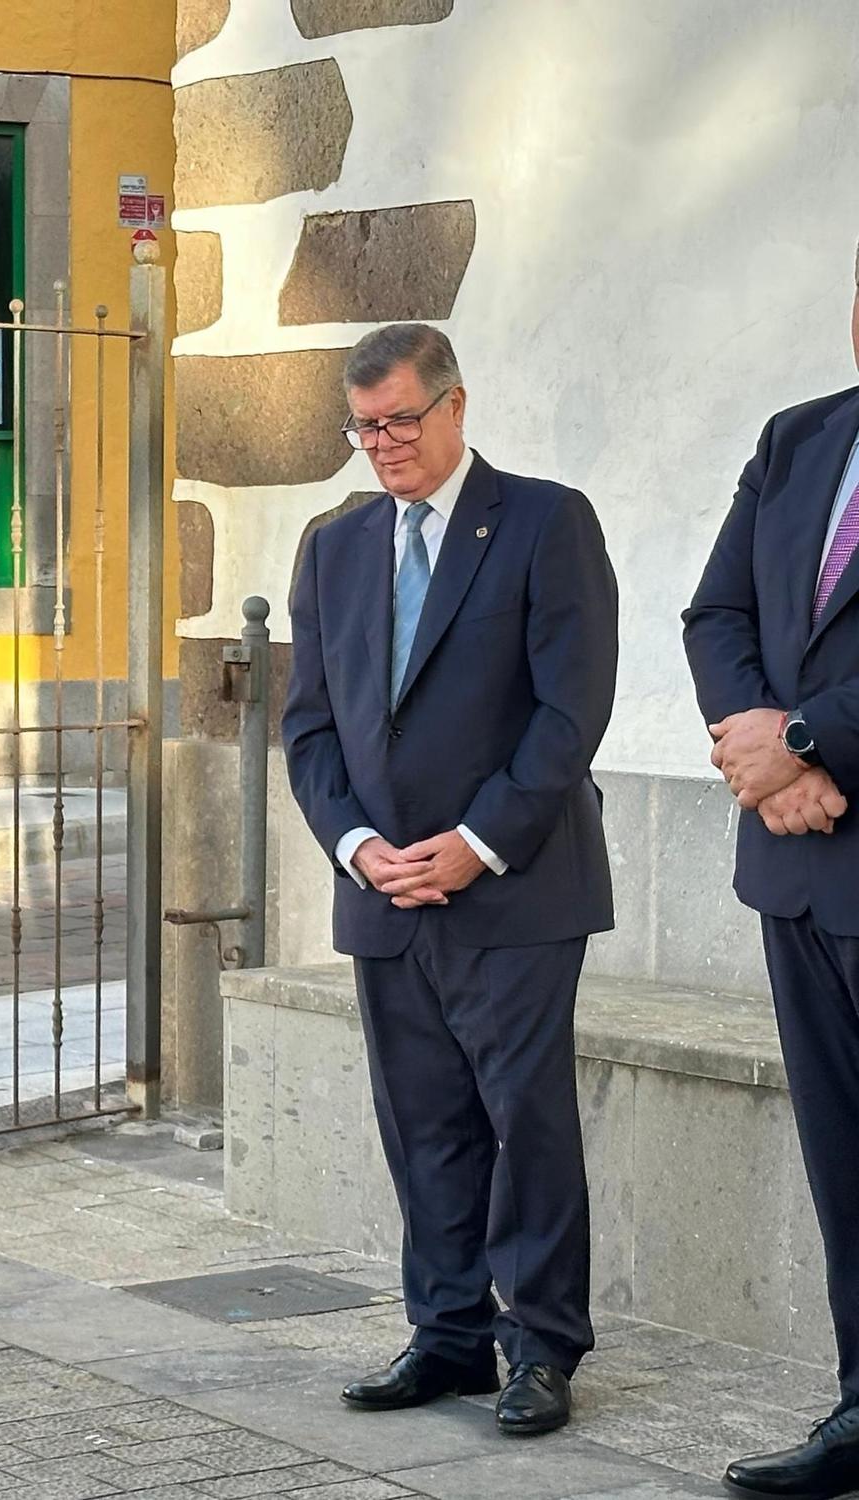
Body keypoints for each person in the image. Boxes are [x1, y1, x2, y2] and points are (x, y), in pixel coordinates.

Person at [281, 323, 619, 1437]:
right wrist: (353, 847)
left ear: (454, 405)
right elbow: (311, 728)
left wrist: (476, 841)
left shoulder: (540, 522)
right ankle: (445, 1335)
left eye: (398, 421)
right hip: (383, 890)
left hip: (513, 887)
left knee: (523, 1123)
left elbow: (569, 713)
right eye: (361, 426)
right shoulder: (329, 546)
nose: (379, 444)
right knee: (419, 1121)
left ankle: (539, 1347)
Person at [685, 246, 859, 1500]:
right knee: (842, 1163)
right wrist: (763, 755)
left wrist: (809, 738)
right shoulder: (798, 438)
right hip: (794, 870)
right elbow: (717, 615)